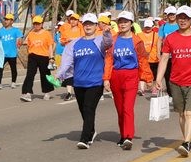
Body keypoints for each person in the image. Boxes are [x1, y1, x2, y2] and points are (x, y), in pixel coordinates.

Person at [155, 7, 191, 157]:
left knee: (189, 113)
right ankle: (188, 140)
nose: (182, 20)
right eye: (180, 17)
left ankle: (186, 143)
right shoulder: (171, 38)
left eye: (186, 18)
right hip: (176, 81)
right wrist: (158, 78)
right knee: (181, 114)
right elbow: (164, 58)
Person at [55, 13, 112, 149]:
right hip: (79, 82)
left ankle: (84, 139)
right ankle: (91, 131)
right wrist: (59, 75)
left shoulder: (100, 40)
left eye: (91, 24)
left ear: (96, 25)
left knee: (88, 108)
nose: (88, 26)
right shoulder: (74, 44)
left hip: (95, 82)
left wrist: (107, 33)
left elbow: (108, 43)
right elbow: (67, 61)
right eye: (86, 23)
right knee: (83, 110)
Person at [104, 11, 154, 150]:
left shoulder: (137, 41)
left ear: (131, 23)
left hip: (131, 75)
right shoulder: (113, 40)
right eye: (120, 22)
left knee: (127, 107)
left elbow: (143, 60)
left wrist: (148, 78)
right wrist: (106, 78)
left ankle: (128, 136)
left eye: (125, 22)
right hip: (116, 75)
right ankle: (122, 135)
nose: (122, 24)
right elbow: (109, 60)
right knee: (120, 109)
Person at [20, 16, 55, 102]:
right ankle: (28, 93)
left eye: (38, 24)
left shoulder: (46, 33)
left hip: (44, 56)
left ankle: (47, 92)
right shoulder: (31, 34)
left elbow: (50, 46)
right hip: (33, 56)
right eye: (35, 24)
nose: (36, 25)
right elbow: (27, 45)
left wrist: (51, 57)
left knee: (45, 74)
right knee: (30, 74)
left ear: (42, 24)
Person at [57, 12, 83, 102]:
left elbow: (84, 39)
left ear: (78, 21)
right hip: (68, 54)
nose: (73, 21)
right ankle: (69, 93)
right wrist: (65, 41)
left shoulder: (81, 30)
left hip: (79, 53)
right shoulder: (66, 31)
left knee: (78, 72)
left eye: (75, 20)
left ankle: (80, 90)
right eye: (71, 19)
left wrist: (74, 40)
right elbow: (62, 42)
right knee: (68, 73)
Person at [0, 13, 23, 89]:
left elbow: (20, 39)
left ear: (12, 21)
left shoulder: (16, 30)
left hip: (12, 53)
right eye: (5, 19)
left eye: (7, 20)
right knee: (0, 68)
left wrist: (19, 45)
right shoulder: (1, 31)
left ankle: (13, 82)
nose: (5, 21)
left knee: (13, 69)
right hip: (3, 54)